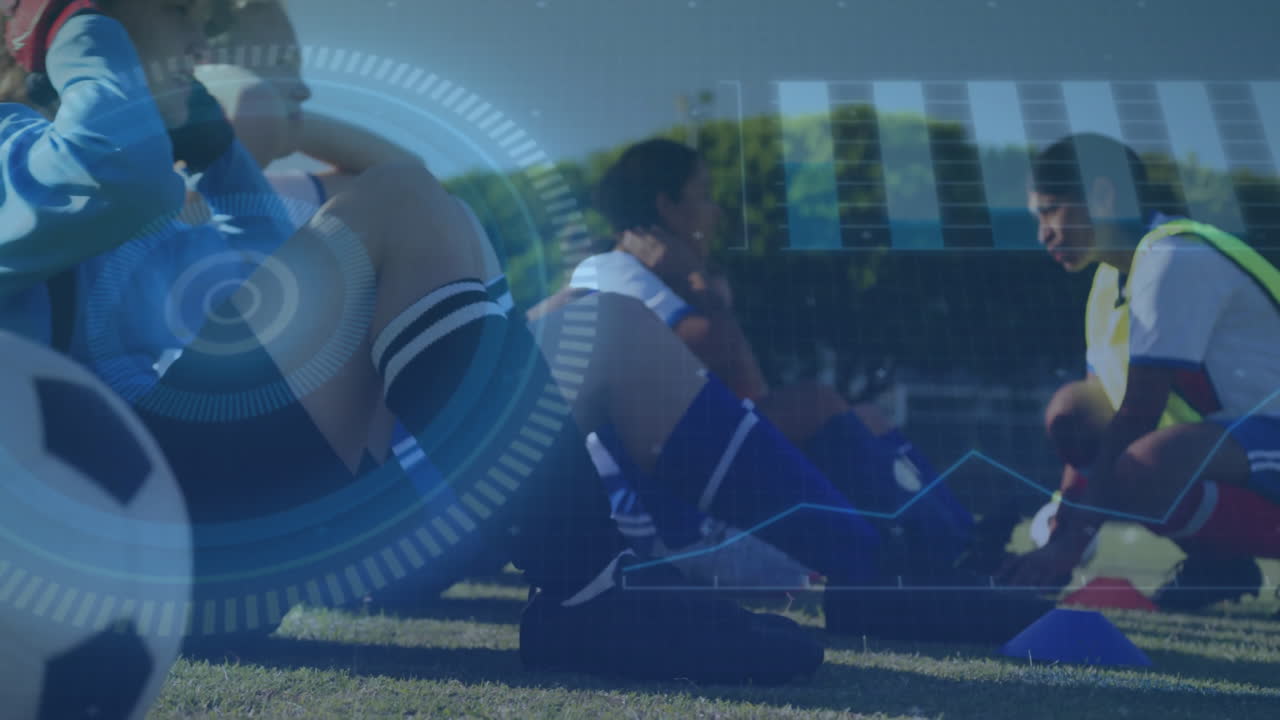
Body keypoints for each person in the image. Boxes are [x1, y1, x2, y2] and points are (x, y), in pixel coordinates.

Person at [532, 139, 982, 582]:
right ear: (666, 206)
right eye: (703, 195)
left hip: (672, 504)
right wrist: (709, 299)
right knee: (817, 403)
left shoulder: (636, 276)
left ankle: (958, 544)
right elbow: (747, 391)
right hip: (661, 519)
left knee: (864, 416)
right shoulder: (615, 271)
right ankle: (930, 555)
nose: (716, 212)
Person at [1000, 133, 1280, 609]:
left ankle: (1220, 558)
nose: (1043, 232)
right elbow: (1098, 419)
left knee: (1144, 465)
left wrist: (1073, 542)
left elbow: (1138, 414)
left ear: (1104, 196)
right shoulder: (1108, 279)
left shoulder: (1175, 255)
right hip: (1242, 439)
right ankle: (1219, 565)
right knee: (1074, 413)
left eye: (1051, 210)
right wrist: (1064, 525)